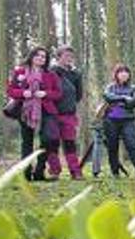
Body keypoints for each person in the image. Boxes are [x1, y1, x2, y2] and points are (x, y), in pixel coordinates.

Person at [6, 46, 62, 181]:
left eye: (44, 56)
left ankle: (39, 172)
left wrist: (46, 93)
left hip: (46, 110)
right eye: (38, 55)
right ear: (31, 56)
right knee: (27, 142)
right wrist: (22, 93)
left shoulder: (50, 74)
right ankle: (26, 173)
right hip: (25, 110)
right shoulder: (20, 71)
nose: (41, 58)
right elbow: (10, 90)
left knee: (48, 140)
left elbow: (58, 93)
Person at [103, 64, 135, 179]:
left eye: (126, 72)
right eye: (121, 72)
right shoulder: (110, 87)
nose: (123, 74)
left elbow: (134, 101)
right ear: (116, 74)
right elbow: (108, 97)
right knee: (112, 146)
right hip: (111, 120)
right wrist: (123, 98)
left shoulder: (134, 88)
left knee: (132, 145)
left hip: (127, 120)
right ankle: (115, 172)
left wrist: (118, 100)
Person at [48, 45, 84, 180]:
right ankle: (54, 171)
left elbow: (79, 95)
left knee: (70, 143)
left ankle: (75, 172)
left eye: (71, 56)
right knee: (52, 143)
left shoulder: (76, 74)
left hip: (69, 114)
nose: (69, 59)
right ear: (58, 57)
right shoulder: (51, 72)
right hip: (52, 115)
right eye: (66, 56)